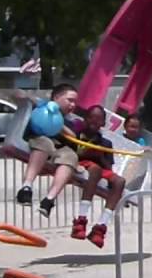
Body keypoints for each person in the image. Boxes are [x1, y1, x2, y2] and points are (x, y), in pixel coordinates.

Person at [15, 84, 81, 217]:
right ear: (56, 97)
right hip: (39, 142)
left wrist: (58, 125)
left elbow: (74, 137)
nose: (73, 105)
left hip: (58, 150)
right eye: (70, 100)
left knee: (70, 157)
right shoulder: (41, 108)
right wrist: (31, 99)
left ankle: (49, 200)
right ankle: (26, 187)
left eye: (75, 102)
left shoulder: (71, 121)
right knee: (45, 143)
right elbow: (17, 94)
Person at [70, 106, 126, 248]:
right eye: (91, 118)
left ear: (103, 123)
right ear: (85, 119)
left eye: (98, 119)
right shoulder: (75, 135)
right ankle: (81, 220)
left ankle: (101, 227)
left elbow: (108, 167)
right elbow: (70, 154)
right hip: (81, 163)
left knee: (119, 181)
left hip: (99, 167)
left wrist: (100, 155)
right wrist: (86, 153)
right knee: (95, 170)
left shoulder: (106, 143)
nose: (94, 122)